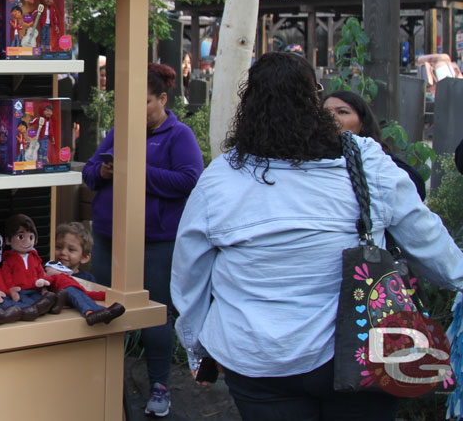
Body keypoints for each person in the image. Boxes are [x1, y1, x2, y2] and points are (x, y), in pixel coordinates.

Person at [171, 52, 463, 421]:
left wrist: (198, 346)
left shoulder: (220, 178)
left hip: (256, 358)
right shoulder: (366, 161)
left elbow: (189, 272)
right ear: (314, 98)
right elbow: (426, 238)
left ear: (248, 104)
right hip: (361, 348)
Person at [83, 62, 204, 417]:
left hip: (157, 240)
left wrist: (137, 171)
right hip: (108, 235)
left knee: (156, 314)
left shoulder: (179, 136)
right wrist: (104, 171)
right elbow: (89, 173)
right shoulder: (120, 130)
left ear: (162, 99)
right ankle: (102, 383)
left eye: (145, 103)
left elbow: (188, 180)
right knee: (101, 309)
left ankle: (160, 386)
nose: (135, 111)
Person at [323, 89, 425, 199]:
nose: (331, 117)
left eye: (342, 112)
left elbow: (415, 190)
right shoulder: (309, 162)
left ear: (362, 123)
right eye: (325, 113)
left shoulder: (384, 162)